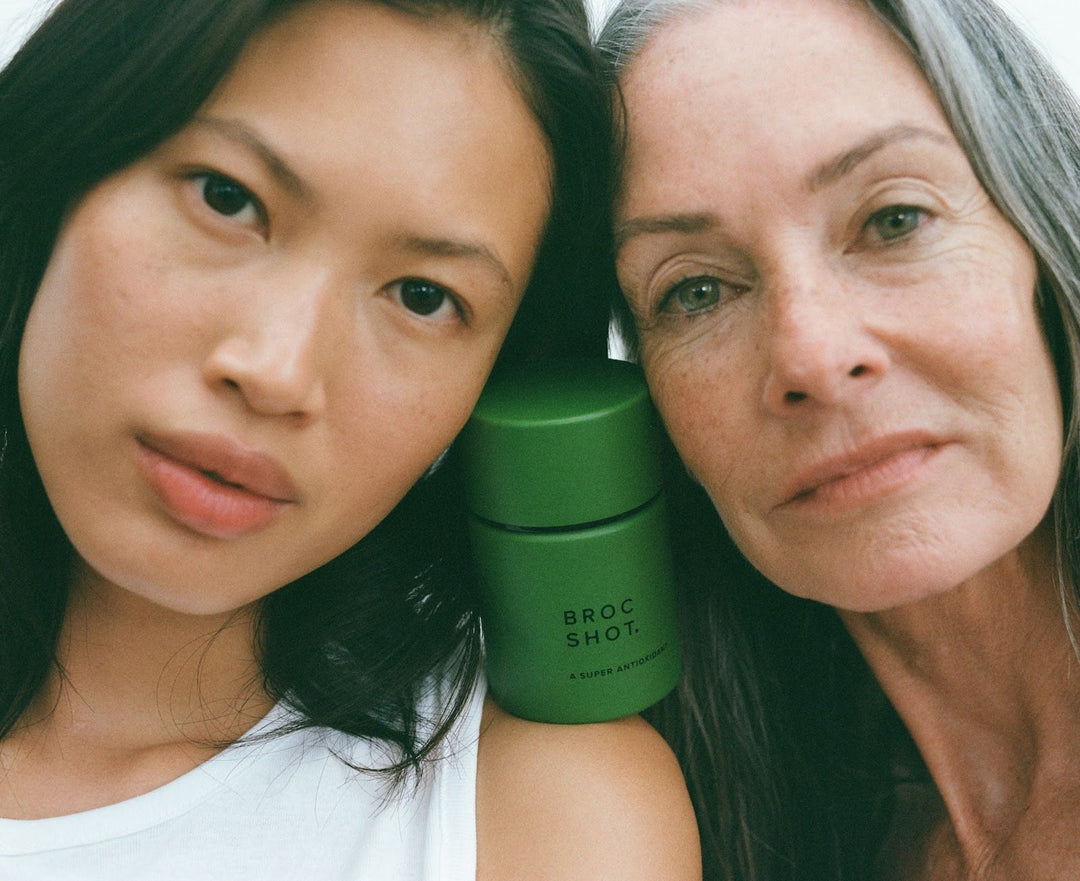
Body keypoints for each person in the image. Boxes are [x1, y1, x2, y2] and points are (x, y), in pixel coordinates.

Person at [0, 0, 702, 878]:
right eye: (229, 198)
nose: (278, 372)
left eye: (422, 296)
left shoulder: (543, 824)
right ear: (61, 160)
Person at [597, 0, 1080, 878]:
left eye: (894, 219)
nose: (812, 356)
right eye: (696, 292)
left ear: (1044, 239)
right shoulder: (682, 836)